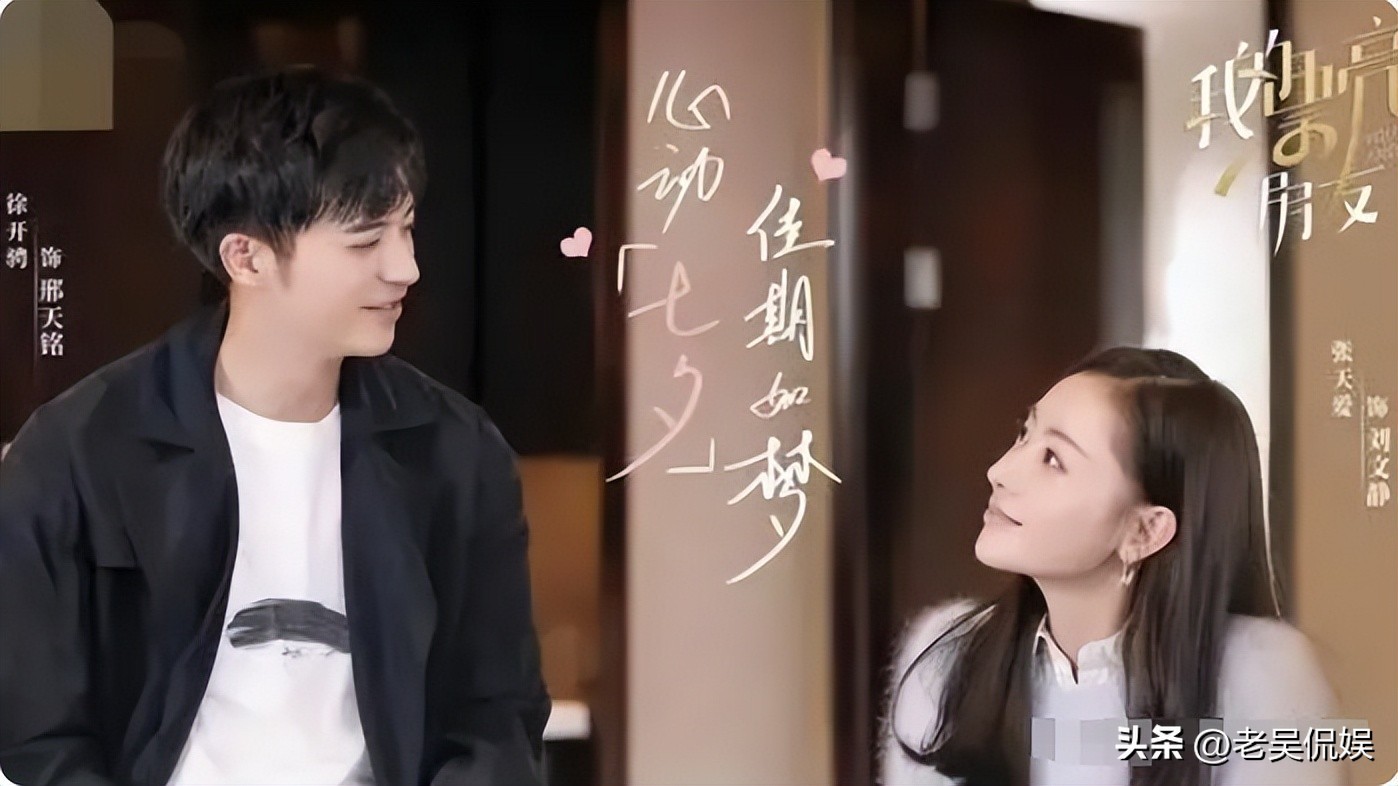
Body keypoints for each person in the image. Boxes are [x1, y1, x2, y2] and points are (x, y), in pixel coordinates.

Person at [0, 67, 551, 786]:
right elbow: (37, 736)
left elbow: (497, 717)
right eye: (365, 242)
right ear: (246, 256)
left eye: (407, 228)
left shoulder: (456, 452)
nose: (405, 268)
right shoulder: (77, 454)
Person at [880, 348, 1345, 786]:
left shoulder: (1263, 676)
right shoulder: (947, 658)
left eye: (1053, 459)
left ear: (1144, 531)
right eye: (1024, 433)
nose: (999, 471)